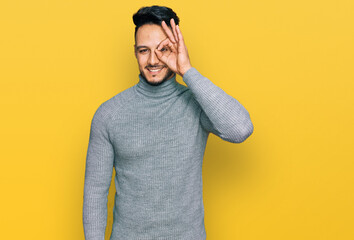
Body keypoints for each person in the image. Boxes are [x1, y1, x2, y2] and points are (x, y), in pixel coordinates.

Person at [83, 5, 254, 240]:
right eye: (144, 50)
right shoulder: (109, 114)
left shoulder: (196, 105)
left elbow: (240, 128)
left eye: (163, 50)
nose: (153, 60)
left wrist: (187, 70)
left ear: (176, 48)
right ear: (135, 52)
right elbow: (95, 193)